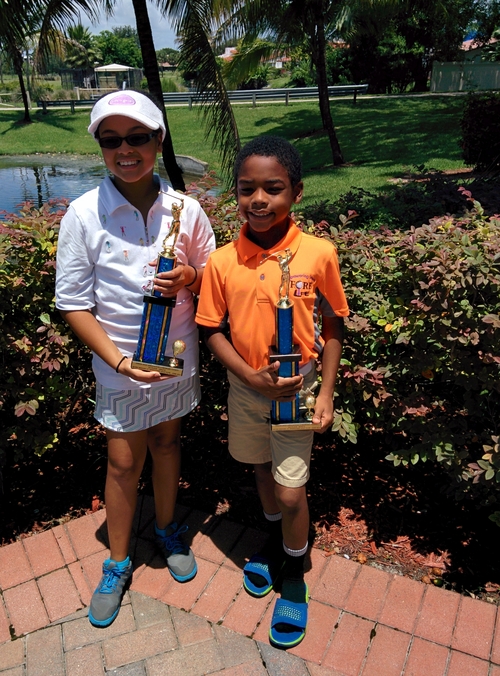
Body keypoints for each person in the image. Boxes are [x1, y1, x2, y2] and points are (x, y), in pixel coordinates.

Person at [55, 90, 215, 628]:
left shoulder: (185, 210)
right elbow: (74, 304)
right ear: (101, 147)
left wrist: (189, 276)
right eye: (111, 140)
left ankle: (168, 530)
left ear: (158, 140)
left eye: (138, 137)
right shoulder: (83, 213)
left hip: (174, 355)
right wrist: (121, 363)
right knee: (124, 463)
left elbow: (211, 276)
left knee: (168, 442)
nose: (126, 150)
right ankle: (118, 562)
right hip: (119, 364)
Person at [195, 135, 349, 649]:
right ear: (236, 194)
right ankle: (273, 537)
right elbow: (212, 329)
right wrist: (249, 376)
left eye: (273, 188)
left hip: (298, 390)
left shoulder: (318, 253)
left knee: (291, 487)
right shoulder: (221, 261)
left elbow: (333, 326)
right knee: (259, 468)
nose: (258, 199)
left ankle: (295, 571)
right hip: (246, 389)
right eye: (246, 189)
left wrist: (325, 392)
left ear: (296, 193)